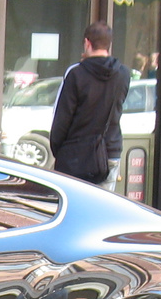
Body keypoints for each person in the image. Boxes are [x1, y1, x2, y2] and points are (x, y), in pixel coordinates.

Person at [48, 21, 130, 188]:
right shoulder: (123, 74)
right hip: (110, 151)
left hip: (76, 156)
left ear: (87, 43)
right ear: (109, 44)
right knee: (104, 209)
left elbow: (62, 119)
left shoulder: (76, 74)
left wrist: (60, 151)